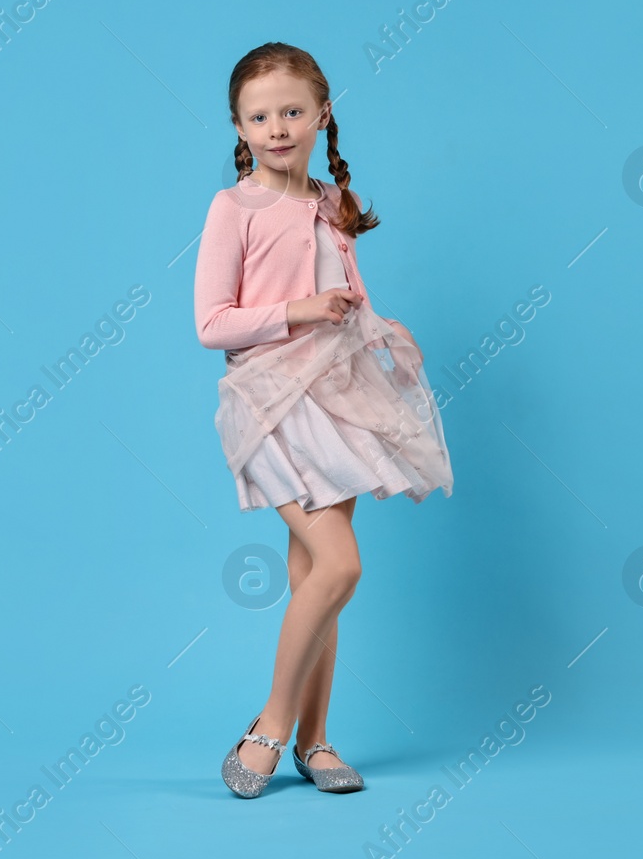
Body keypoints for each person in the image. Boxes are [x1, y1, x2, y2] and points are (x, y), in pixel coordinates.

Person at [193, 42, 454, 799]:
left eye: (293, 111)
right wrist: (298, 310)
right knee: (341, 565)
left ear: (322, 115)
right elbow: (212, 322)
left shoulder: (332, 202)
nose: (278, 127)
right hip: (272, 402)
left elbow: (345, 295)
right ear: (239, 126)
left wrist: (380, 327)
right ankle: (268, 725)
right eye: (260, 115)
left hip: (338, 395)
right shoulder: (232, 207)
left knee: (315, 576)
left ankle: (316, 739)